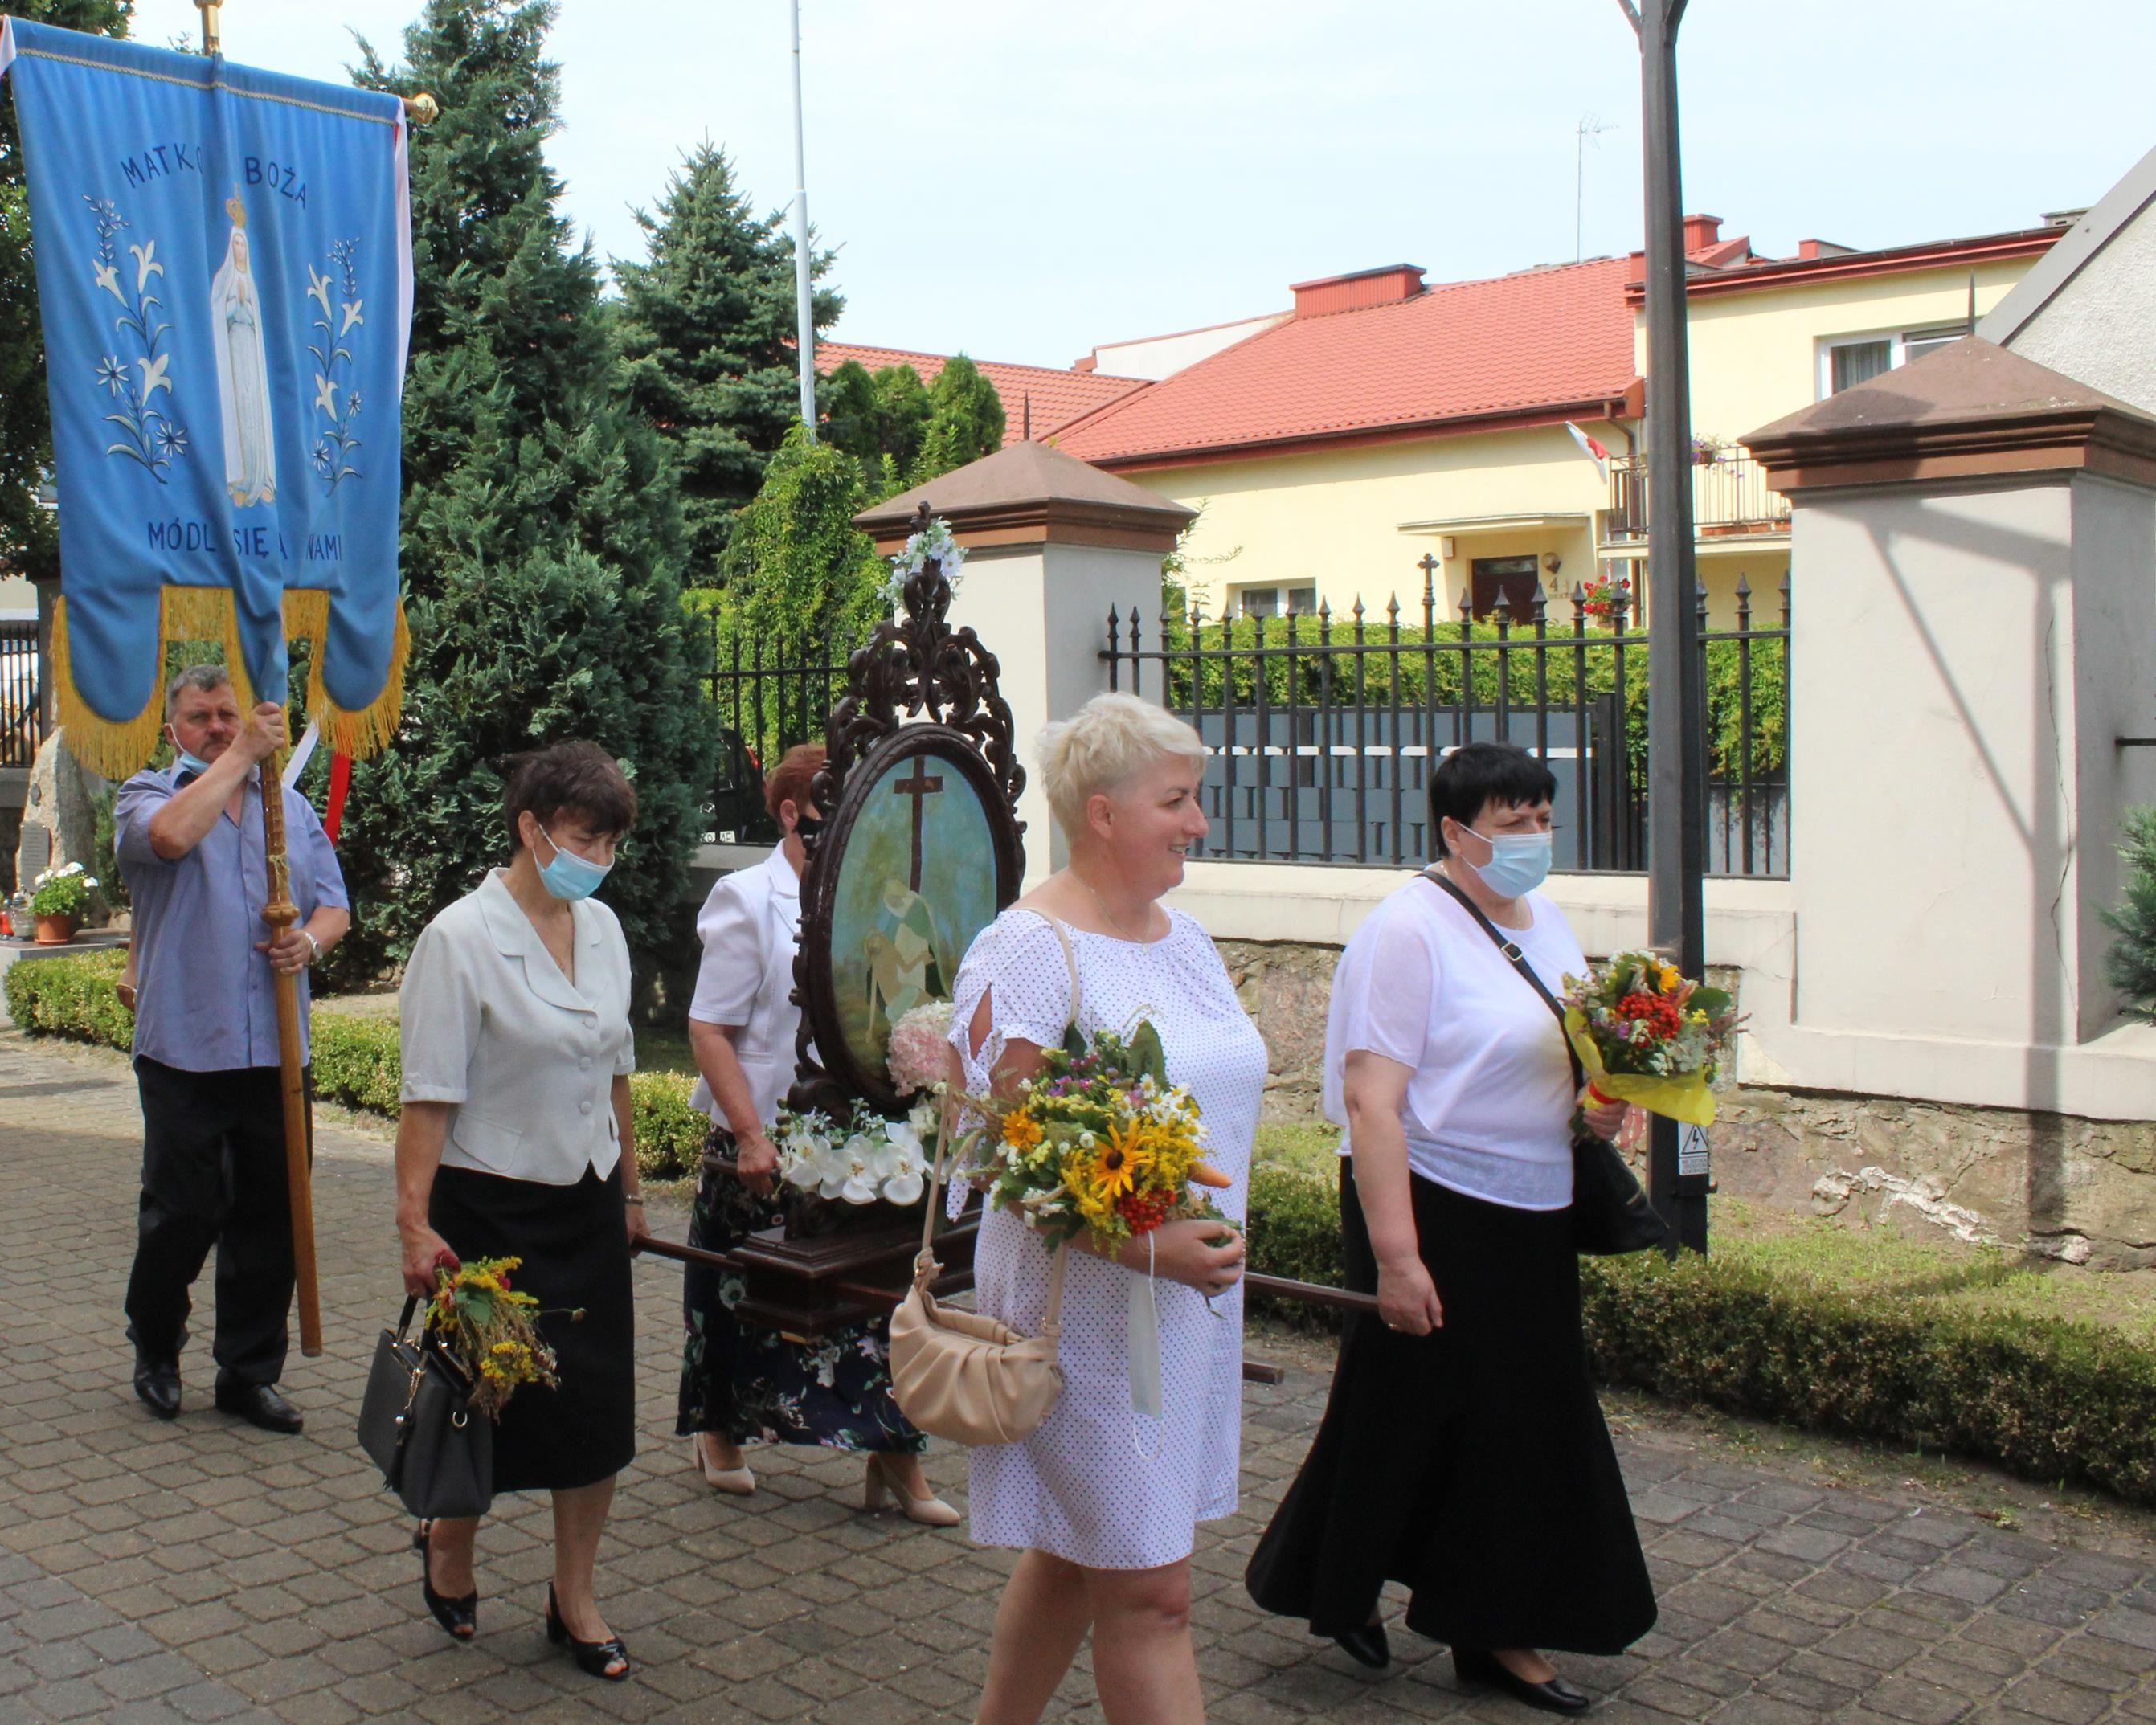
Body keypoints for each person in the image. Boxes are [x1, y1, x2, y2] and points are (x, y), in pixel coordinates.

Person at [1246, 743, 1653, 1714]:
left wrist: (1597, 1109)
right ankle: (1486, 1628)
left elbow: (1559, 1052)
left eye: (1544, 820)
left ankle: (1362, 1590)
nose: (1534, 840)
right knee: (1432, 1409)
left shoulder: (1546, 919)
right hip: (1431, 1199)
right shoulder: (1407, 930)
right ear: (1454, 832)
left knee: (1481, 1416)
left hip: (1534, 1202)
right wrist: (1396, 1256)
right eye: (1513, 824)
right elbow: (1371, 1099)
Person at [947, 694, 1258, 1725]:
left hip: (1179, 1311)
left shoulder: (1187, 940)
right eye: (1177, 799)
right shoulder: (1029, 948)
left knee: (1085, 1555)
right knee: (1150, 1590)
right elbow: (995, 1143)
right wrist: (1136, 1240)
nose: (1198, 821)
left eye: (1195, 798)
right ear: (1103, 814)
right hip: (1083, 1305)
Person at [393, 742, 648, 1679]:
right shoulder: (459, 939)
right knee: (482, 1404)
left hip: (583, 1201)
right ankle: (449, 1544)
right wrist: (414, 1225)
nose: (600, 859)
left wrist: (627, 1189)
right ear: (531, 828)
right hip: (490, 1211)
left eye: (613, 843)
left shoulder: (604, 928)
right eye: (587, 838)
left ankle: (572, 1595)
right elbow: (428, 1095)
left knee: (593, 1412)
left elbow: (615, 1065)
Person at [678, 742, 954, 1523]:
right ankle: (720, 1432)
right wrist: (748, 1133)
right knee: (738, 1292)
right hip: (760, 1128)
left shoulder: (871, 897)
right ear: (790, 812)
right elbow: (707, 1029)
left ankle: (895, 1461)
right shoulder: (746, 897)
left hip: (855, 1132)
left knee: (880, 1297)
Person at [113, 662, 349, 1430]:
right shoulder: (147, 794)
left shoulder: (290, 809)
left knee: (272, 1216)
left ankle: (247, 1372)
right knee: (182, 1213)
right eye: (200, 716)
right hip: (186, 1047)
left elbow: (335, 906)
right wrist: (241, 756)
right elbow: (172, 838)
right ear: (173, 728)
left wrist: (308, 945)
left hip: (277, 1052)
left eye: (227, 714)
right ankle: (155, 1341)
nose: (216, 726)